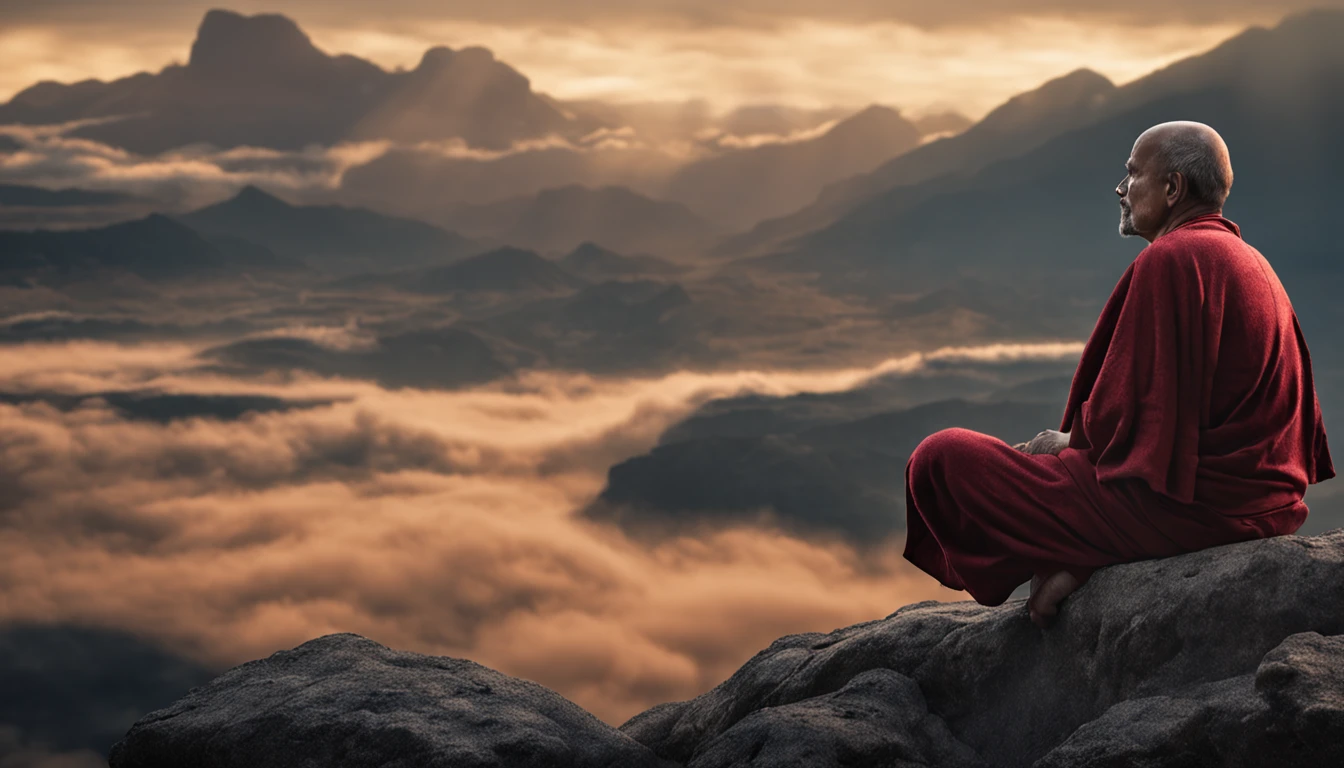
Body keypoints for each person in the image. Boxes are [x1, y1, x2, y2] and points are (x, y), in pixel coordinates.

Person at [902, 121, 1334, 629]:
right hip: (1264, 505)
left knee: (940, 458)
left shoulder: (1174, 259)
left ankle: (1072, 554)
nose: (1120, 188)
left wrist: (1065, 442)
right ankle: (1076, 556)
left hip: (1193, 511)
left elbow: (1133, 423)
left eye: (1132, 174)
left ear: (1173, 189)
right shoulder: (1252, 262)